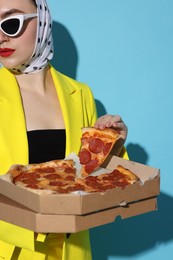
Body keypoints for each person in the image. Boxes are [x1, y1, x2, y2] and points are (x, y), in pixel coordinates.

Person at [0, 0, 128, 259]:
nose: (1, 37)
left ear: (43, 21)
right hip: (11, 249)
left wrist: (111, 143)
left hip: (72, 250)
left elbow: (90, 178)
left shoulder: (80, 94)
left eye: (10, 24)